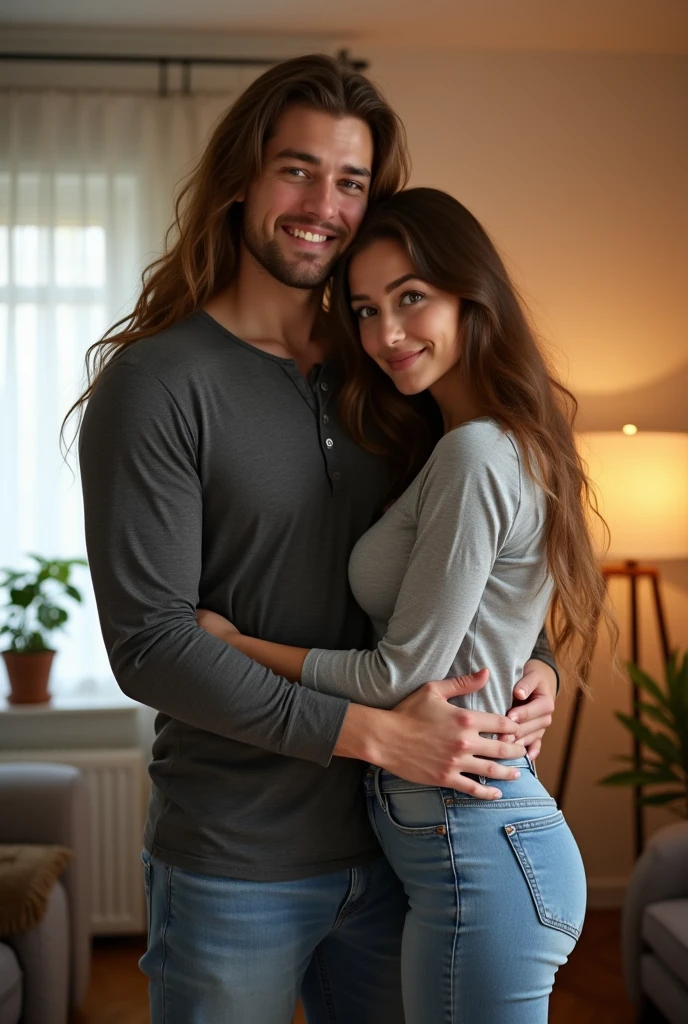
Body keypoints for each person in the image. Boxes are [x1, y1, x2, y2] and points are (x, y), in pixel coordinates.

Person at [75, 56, 559, 1024]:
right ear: (242, 179)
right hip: (236, 862)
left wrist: (533, 656)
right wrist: (372, 733)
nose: (322, 205)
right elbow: (153, 644)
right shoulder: (159, 383)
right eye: (297, 169)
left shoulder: (391, 367)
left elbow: (465, 544)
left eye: (350, 181)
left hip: (407, 851)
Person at [196, 187, 610, 1023]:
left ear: (471, 294)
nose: (388, 334)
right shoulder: (461, 442)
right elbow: (497, 615)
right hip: (468, 846)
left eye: (412, 298)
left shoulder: (476, 453)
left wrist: (234, 643)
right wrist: (538, 667)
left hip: (480, 848)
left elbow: (400, 674)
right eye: (365, 308)